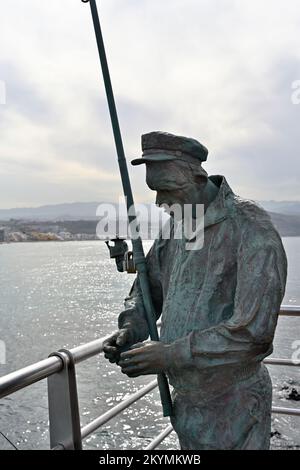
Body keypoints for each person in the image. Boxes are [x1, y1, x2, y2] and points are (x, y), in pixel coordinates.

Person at [103, 131, 287, 450]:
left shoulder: (251, 228)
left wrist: (171, 354)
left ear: (198, 179)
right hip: (187, 408)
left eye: (167, 190)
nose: (160, 203)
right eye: (155, 191)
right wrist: (131, 328)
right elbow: (150, 288)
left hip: (236, 409)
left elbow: (254, 335)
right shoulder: (177, 224)